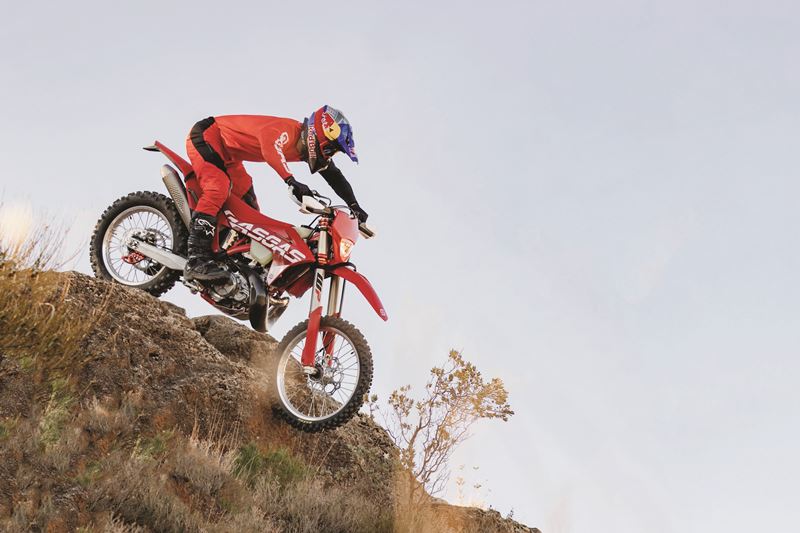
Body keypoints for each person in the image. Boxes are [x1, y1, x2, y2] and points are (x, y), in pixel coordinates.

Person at [183, 105, 368, 282]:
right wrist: (291, 180)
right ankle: (196, 259)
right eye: (330, 149)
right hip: (208, 135)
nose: (329, 155)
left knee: (249, 209)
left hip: (229, 157)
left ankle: (233, 263)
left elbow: (335, 176)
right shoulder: (288, 130)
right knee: (218, 187)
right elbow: (270, 148)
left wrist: (354, 205)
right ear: (318, 136)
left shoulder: (306, 148)